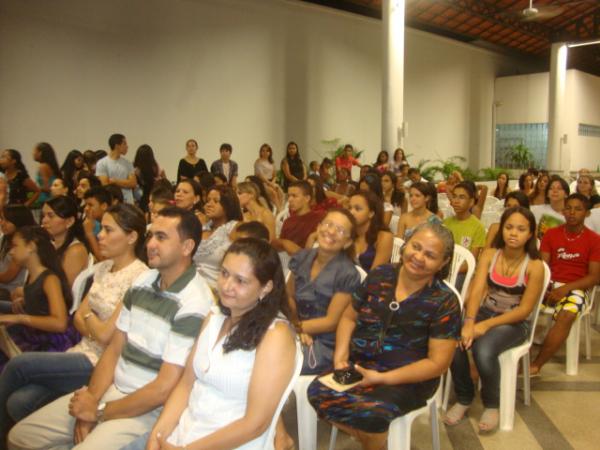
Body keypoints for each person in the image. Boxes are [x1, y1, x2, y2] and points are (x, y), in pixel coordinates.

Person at [8, 206, 214, 450]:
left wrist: (99, 412)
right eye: (150, 235)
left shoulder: (195, 302)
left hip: (146, 409)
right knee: (20, 437)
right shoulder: (143, 282)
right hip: (112, 389)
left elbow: (162, 389)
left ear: (187, 247)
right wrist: (92, 400)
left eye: (161, 237)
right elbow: (114, 349)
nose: (150, 244)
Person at [124, 238, 297, 450]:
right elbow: (186, 385)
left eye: (241, 281)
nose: (226, 286)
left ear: (266, 288)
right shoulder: (214, 317)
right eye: (224, 273)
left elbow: (255, 424)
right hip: (184, 434)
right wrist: (157, 435)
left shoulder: (275, 336)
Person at [0, 204, 148, 447]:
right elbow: (78, 316)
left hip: (101, 362)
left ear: (131, 237)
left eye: (108, 230)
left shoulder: (139, 277)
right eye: (102, 229)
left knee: (19, 365)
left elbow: (107, 335)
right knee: (19, 401)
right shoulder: (102, 268)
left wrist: (89, 318)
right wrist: (91, 321)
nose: (100, 235)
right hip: (81, 350)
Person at [308, 223, 461, 450]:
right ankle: (378, 442)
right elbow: (349, 317)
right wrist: (340, 357)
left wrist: (382, 379)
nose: (418, 257)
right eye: (415, 247)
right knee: (317, 392)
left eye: (430, 255)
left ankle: (374, 440)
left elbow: (438, 364)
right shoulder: (380, 275)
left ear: (443, 262)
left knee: (371, 414)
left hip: (409, 380)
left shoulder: (444, 301)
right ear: (405, 245)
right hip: (360, 366)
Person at [444, 207, 544, 432]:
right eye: (509, 227)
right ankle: (464, 397)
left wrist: (483, 326)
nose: (513, 233)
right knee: (452, 339)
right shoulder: (490, 254)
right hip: (484, 312)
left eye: (521, 229)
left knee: (483, 350)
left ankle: (492, 403)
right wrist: (470, 321)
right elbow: (477, 289)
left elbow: (524, 310)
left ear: (530, 234)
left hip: (514, 323)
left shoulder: (534, 266)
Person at [276, 209, 361, 449]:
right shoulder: (303, 257)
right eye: (327, 224)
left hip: (325, 344)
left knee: (273, 362)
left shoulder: (347, 273)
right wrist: (293, 325)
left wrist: (294, 328)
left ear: (348, 241)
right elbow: (289, 295)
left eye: (340, 230)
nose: (330, 231)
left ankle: (277, 431)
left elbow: (332, 321)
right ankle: (271, 424)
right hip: (297, 331)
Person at [530, 194, 600, 376]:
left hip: (576, 288)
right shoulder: (551, 234)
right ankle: (511, 356)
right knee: (520, 306)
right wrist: (546, 287)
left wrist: (565, 289)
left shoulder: (595, 240)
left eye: (578, 209)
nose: (572, 212)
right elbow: (543, 266)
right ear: (563, 211)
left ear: (587, 213)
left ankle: (536, 364)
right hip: (549, 285)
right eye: (568, 208)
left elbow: (594, 277)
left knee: (567, 314)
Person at [0, 226, 78, 372]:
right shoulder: (33, 275)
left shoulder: (49, 279)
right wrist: (25, 300)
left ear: (31, 247)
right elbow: (40, 299)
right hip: (34, 332)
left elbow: (60, 323)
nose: (11, 252)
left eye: (15, 246)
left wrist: (19, 318)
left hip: (47, 339)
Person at [193, 185, 242, 288]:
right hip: (193, 285)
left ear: (228, 205)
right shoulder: (201, 227)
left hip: (218, 289)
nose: (209, 205)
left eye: (215, 201)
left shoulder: (235, 228)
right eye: (208, 200)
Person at [444, 182, 486, 290]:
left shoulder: (477, 227)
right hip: (443, 269)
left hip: (462, 273)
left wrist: (449, 271)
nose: (456, 201)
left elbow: (469, 262)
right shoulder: (445, 223)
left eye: (462, 197)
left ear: (471, 202)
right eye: (454, 197)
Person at [41, 196, 91, 287]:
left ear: (69, 221)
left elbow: (64, 290)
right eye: (43, 215)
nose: (44, 220)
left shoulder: (75, 251)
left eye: (51, 216)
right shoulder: (50, 244)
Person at [272, 181, 326, 254]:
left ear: (307, 198)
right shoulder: (288, 221)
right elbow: (280, 246)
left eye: (294, 196)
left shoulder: (320, 217)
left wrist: (313, 236)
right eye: (289, 196)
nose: (290, 200)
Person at [348, 190, 393, 271]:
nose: (351, 212)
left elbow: (375, 275)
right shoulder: (347, 234)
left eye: (357, 209)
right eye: (349, 208)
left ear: (371, 213)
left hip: (373, 281)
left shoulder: (384, 236)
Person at [0, 206, 36, 300]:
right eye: (1, 219)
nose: (2, 223)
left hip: (11, 291)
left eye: (7, 221)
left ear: (18, 221)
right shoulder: (5, 238)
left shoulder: (24, 244)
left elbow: (9, 277)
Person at [95, 133, 137, 204]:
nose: (127, 146)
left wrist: (114, 181)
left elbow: (133, 183)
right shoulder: (102, 163)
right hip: (112, 201)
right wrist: (125, 182)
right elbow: (105, 184)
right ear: (117, 146)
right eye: (124, 144)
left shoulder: (128, 163)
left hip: (128, 202)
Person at [531, 176, 569, 240]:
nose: (555, 191)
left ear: (566, 194)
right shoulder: (535, 210)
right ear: (547, 194)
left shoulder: (570, 215)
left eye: (559, 188)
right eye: (551, 188)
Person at [82, 187, 112, 262]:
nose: (86, 208)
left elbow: (105, 261)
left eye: (90, 205)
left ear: (104, 206)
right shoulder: (95, 223)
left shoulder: (114, 225)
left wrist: (89, 233)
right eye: (85, 205)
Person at [133, 144, 164, 212]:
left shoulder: (136, 169)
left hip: (141, 197)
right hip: (155, 195)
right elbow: (160, 180)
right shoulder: (155, 167)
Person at [32, 142, 62, 207]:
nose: (33, 154)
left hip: (47, 201)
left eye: (34, 151)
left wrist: (33, 188)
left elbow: (47, 187)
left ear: (40, 153)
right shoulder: (49, 166)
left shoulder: (43, 166)